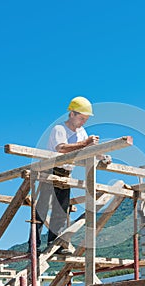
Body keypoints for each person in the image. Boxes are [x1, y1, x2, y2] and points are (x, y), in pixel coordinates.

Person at [28, 96, 99, 254]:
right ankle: (34, 245)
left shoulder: (82, 133)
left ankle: (56, 243)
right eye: (81, 118)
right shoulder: (59, 129)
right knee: (42, 207)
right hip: (50, 170)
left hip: (66, 172)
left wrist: (99, 155)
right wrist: (86, 143)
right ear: (72, 114)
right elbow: (62, 148)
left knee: (61, 209)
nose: (83, 122)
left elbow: (85, 150)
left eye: (86, 119)